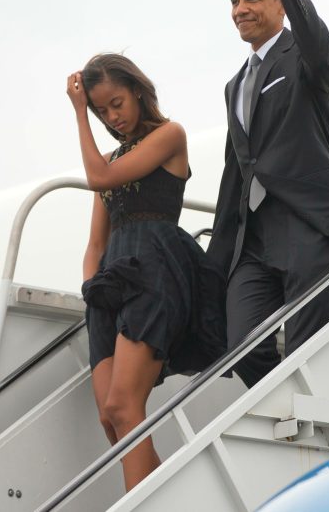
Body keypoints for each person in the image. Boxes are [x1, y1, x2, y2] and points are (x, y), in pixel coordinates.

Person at [207, 0, 329, 388]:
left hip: (306, 225)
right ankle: (285, 399)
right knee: (241, 347)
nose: (240, 10)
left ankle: (301, 413)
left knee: (306, 343)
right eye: (234, 2)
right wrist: (221, 248)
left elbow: (321, 45)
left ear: (278, 5)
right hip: (253, 238)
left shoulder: (304, 58)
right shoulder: (235, 84)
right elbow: (238, 169)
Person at [66, 54, 226, 491]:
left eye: (115, 103)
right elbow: (96, 242)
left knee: (124, 404)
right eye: (101, 110)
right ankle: (167, 495)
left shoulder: (169, 135)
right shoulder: (110, 157)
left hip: (154, 265)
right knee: (110, 417)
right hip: (109, 283)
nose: (111, 116)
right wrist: (89, 288)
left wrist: (78, 112)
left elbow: (99, 178)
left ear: (137, 90)